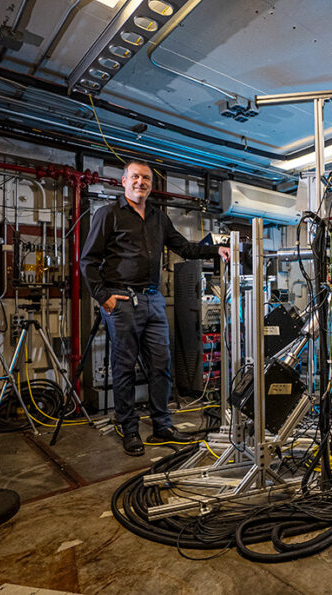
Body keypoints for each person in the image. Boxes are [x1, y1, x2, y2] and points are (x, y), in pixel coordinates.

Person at [80, 160, 230, 455]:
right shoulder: (108, 214)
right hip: (121, 301)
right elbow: (87, 261)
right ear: (123, 181)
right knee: (123, 367)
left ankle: (162, 425)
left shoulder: (158, 218)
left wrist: (216, 249)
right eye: (135, 177)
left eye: (146, 178)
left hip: (153, 300)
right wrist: (103, 297)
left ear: (151, 184)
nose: (141, 182)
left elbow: (184, 248)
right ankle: (130, 428)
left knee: (161, 365)